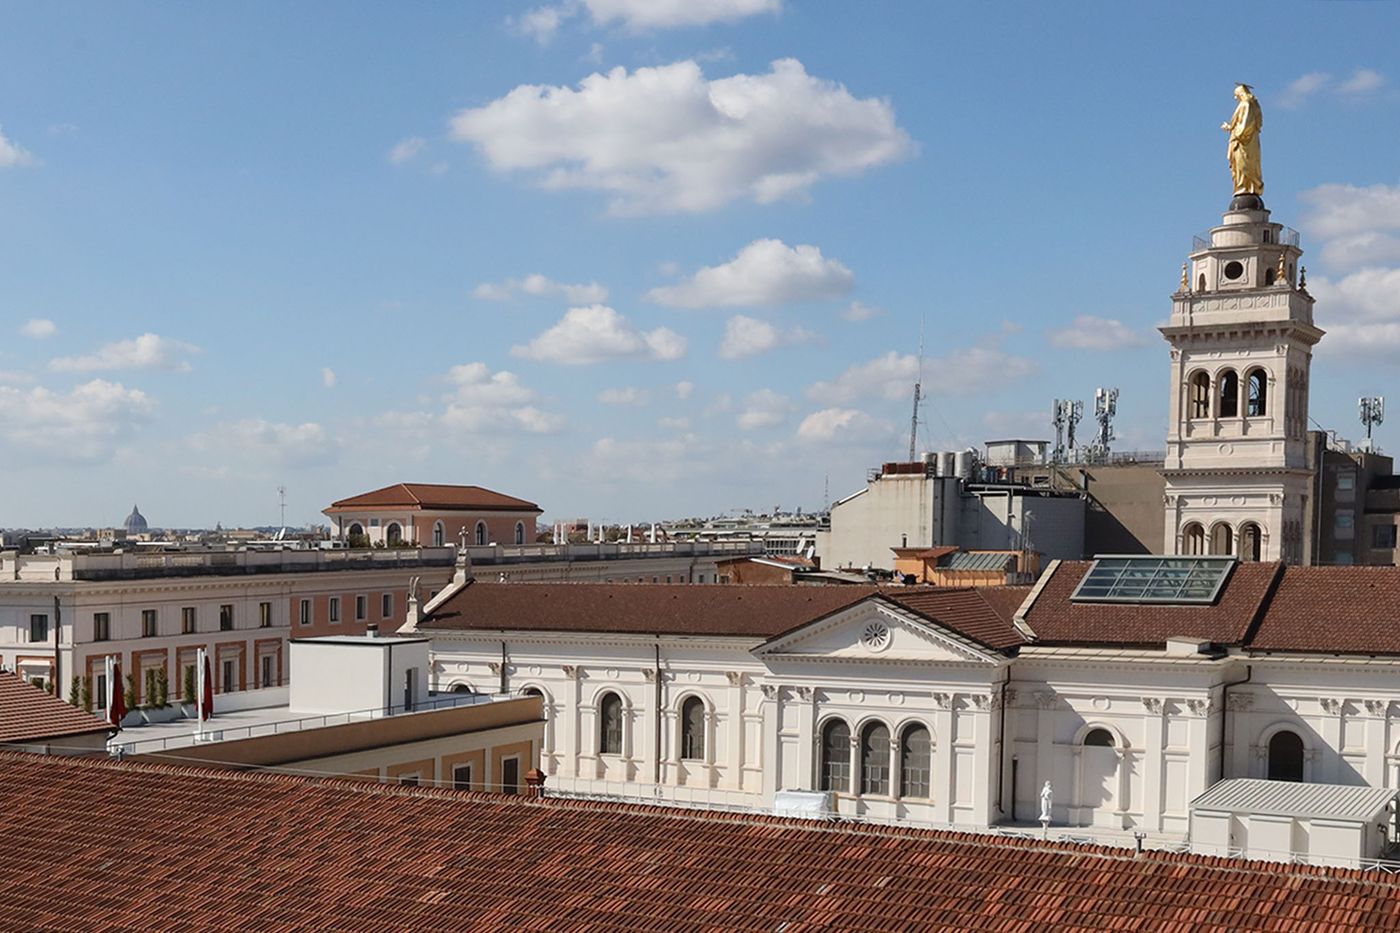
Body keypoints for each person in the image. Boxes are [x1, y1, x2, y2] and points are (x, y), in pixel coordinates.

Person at [1222, 84, 1263, 196]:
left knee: (1244, 164)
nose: (1236, 98)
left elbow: (1246, 124)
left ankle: (1245, 186)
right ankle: (1246, 186)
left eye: (1236, 95)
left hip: (1244, 141)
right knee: (1246, 164)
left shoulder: (1246, 104)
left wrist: (1236, 134)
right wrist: (1230, 127)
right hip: (1250, 141)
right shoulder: (1253, 105)